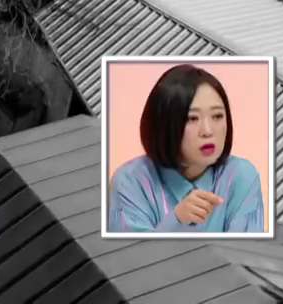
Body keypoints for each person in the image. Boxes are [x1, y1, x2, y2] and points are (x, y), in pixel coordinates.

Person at [107, 64, 264, 233]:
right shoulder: (130, 181)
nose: (207, 131)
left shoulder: (241, 176)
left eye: (217, 116)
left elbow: (247, 247)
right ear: (163, 123)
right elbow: (131, 250)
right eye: (192, 118)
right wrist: (177, 220)